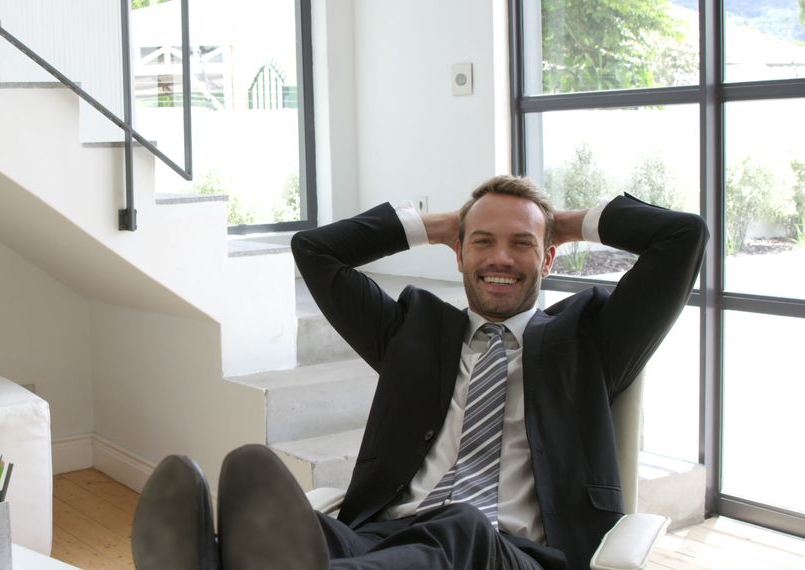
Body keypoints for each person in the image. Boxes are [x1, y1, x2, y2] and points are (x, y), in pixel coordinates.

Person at [130, 175, 708, 570]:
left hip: (516, 553)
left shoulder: (593, 338)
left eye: (522, 244)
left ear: (549, 256)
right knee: (317, 536)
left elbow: (682, 237)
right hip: (386, 538)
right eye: (481, 242)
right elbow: (314, 250)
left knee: (458, 525)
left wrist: (569, 221)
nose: (500, 258)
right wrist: (437, 224)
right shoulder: (413, 332)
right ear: (457, 254)